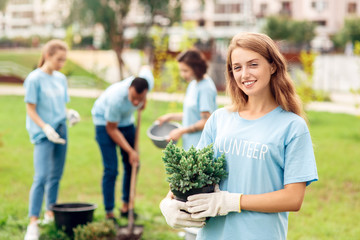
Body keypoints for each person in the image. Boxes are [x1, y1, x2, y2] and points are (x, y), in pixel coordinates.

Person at [160, 32, 318, 240]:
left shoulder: (291, 127)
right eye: (237, 67)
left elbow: (293, 198)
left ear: (272, 66)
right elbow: (190, 175)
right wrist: (168, 202)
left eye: (253, 64)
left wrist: (233, 202)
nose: (244, 74)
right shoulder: (219, 119)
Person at [24, 39, 80, 240]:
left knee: (56, 175)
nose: (61, 64)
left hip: (60, 130)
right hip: (43, 133)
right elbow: (30, 109)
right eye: (59, 59)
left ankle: (50, 213)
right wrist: (45, 127)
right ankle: (33, 222)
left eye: (64, 60)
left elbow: (61, 107)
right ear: (47, 56)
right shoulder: (34, 79)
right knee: (41, 177)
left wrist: (69, 113)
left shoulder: (60, 79)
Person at [91, 66, 154, 221]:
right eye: (133, 98)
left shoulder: (147, 83)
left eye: (140, 99)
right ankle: (109, 212)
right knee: (111, 169)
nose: (135, 102)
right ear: (129, 88)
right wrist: (131, 150)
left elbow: (146, 68)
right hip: (104, 123)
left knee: (133, 164)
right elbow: (111, 129)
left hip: (126, 122)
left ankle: (126, 207)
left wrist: (143, 101)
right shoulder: (116, 98)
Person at [157, 48, 217, 151]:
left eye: (185, 70)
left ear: (197, 68)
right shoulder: (193, 84)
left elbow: (206, 120)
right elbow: (193, 114)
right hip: (189, 146)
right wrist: (171, 116)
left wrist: (180, 131)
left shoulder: (205, 88)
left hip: (201, 148)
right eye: (181, 70)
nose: (182, 74)